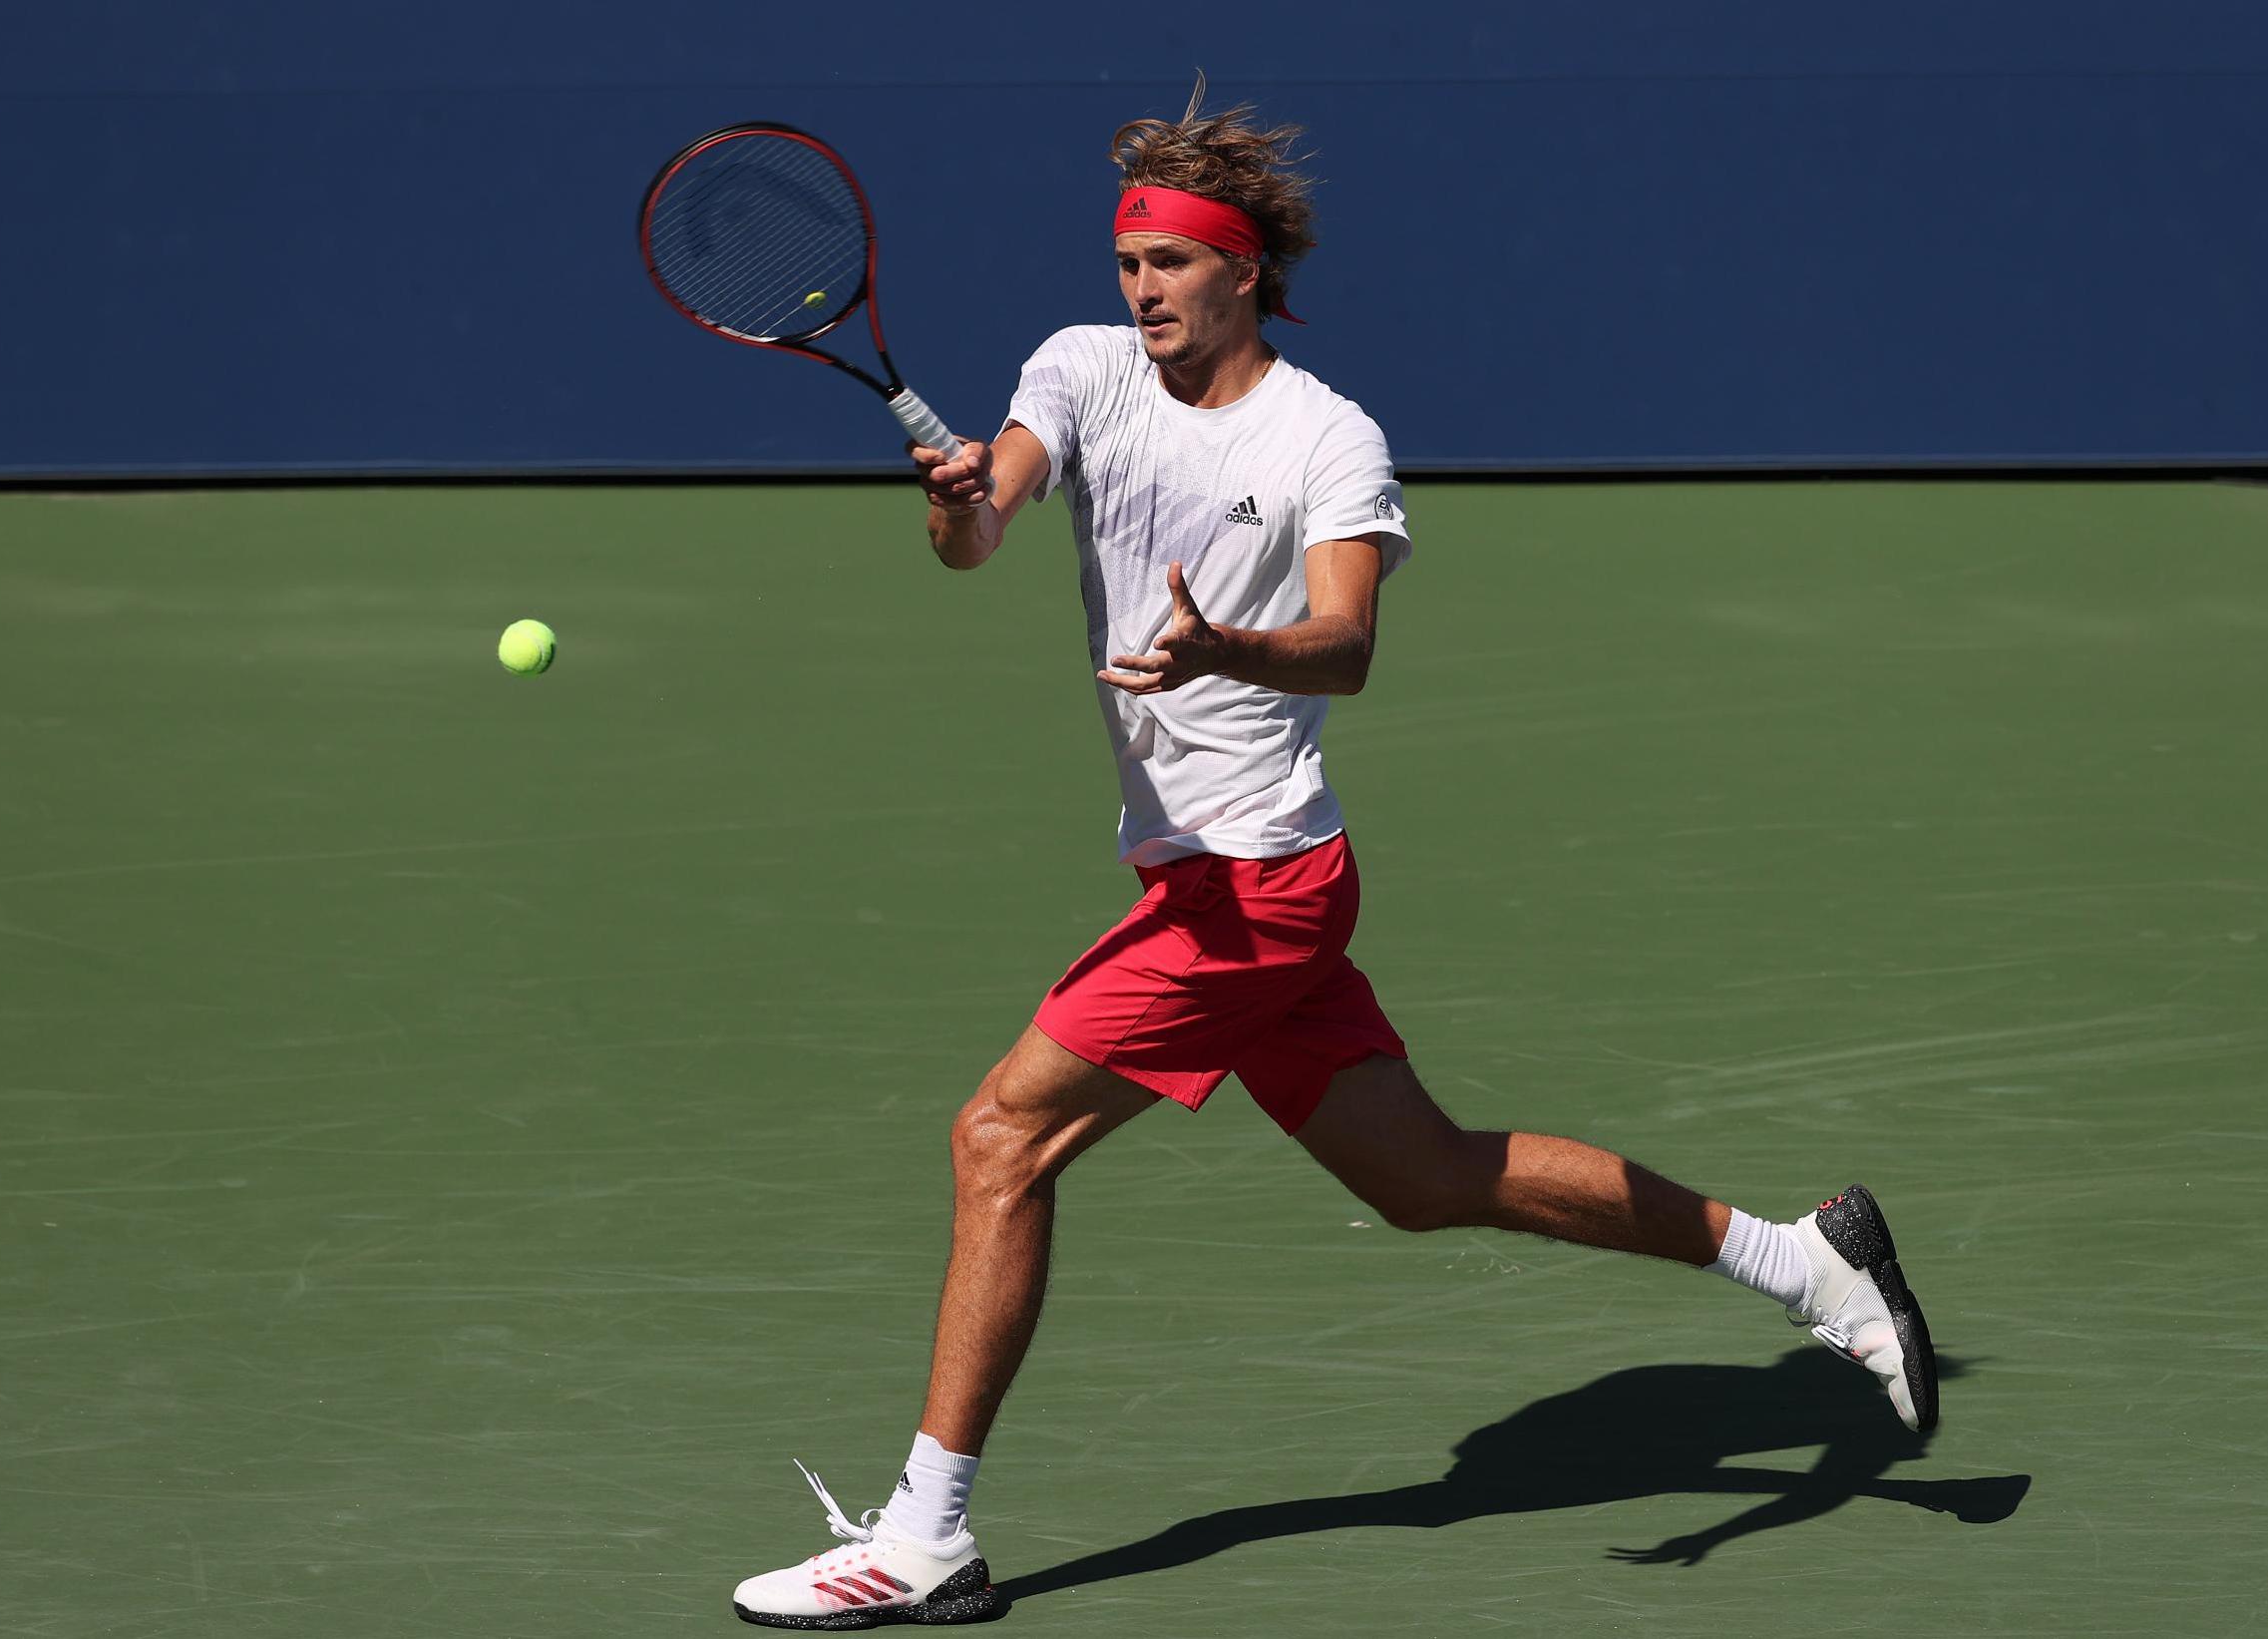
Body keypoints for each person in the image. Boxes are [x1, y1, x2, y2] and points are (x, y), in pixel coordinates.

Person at [730, 89, 1937, 1630]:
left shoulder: (1325, 437)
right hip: (1197, 875)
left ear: (1243, 274)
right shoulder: (1081, 370)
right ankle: (1809, 1264)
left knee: (997, 1141)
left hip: (1260, 889)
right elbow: (987, 531)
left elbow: (1347, 645)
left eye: (1169, 263)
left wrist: (1225, 646)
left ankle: (925, 1538)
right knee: (1426, 1181)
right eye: (1127, 265)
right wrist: (958, 503)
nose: (1142, 291)